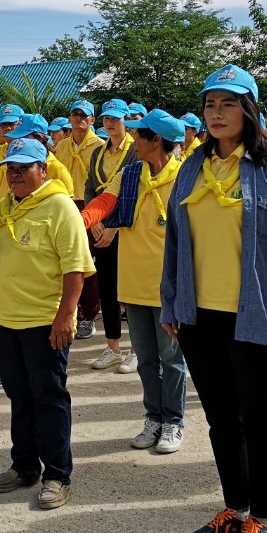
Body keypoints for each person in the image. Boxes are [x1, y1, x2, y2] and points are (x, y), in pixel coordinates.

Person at [160, 64, 267, 533]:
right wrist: (170, 303)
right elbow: (175, 243)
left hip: (256, 317)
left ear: (248, 109)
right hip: (197, 317)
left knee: (259, 420)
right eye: (210, 104)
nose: (217, 113)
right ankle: (236, 508)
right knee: (222, 420)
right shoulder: (191, 167)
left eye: (228, 103)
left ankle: (264, 517)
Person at [0, 138, 94, 509]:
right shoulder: (5, 205)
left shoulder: (60, 207)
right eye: (11, 168)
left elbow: (76, 268)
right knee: (19, 396)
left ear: (44, 169)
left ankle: (57, 475)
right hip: (3, 318)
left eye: (24, 167)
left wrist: (66, 316)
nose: (16, 174)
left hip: (43, 321)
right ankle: (24, 466)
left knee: (49, 398)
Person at [80, 109, 188, 453]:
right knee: (146, 359)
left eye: (140, 135)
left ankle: (173, 421)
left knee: (172, 360)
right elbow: (104, 202)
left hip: (169, 285)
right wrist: (79, 222)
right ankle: (153, 417)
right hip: (133, 281)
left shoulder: (186, 176)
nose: (134, 139)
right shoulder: (130, 174)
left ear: (156, 141)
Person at [86, 99, 137, 371]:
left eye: (116, 118)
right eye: (107, 118)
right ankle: (113, 347)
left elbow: (136, 192)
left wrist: (115, 226)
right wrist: (94, 221)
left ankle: (136, 349)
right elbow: (90, 188)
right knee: (106, 287)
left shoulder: (136, 149)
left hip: (126, 227)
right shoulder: (98, 152)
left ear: (126, 120)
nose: (110, 123)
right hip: (100, 224)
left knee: (130, 290)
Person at [54, 99, 106, 339]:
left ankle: (89, 313)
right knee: (66, 259)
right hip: (65, 205)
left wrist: (98, 215)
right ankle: (70, 308)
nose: (79, 119)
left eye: (84, 115)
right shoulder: (62, 146)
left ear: (92, 120)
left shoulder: (100, 146)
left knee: (88, 260)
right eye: (75, 114)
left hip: (90, 206)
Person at [6, 113, 75, 195]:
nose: (18, 142)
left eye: (23, 138)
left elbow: (67, 201)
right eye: (16, 138)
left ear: (39, 139)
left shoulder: (57, 170)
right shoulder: (13, 165)